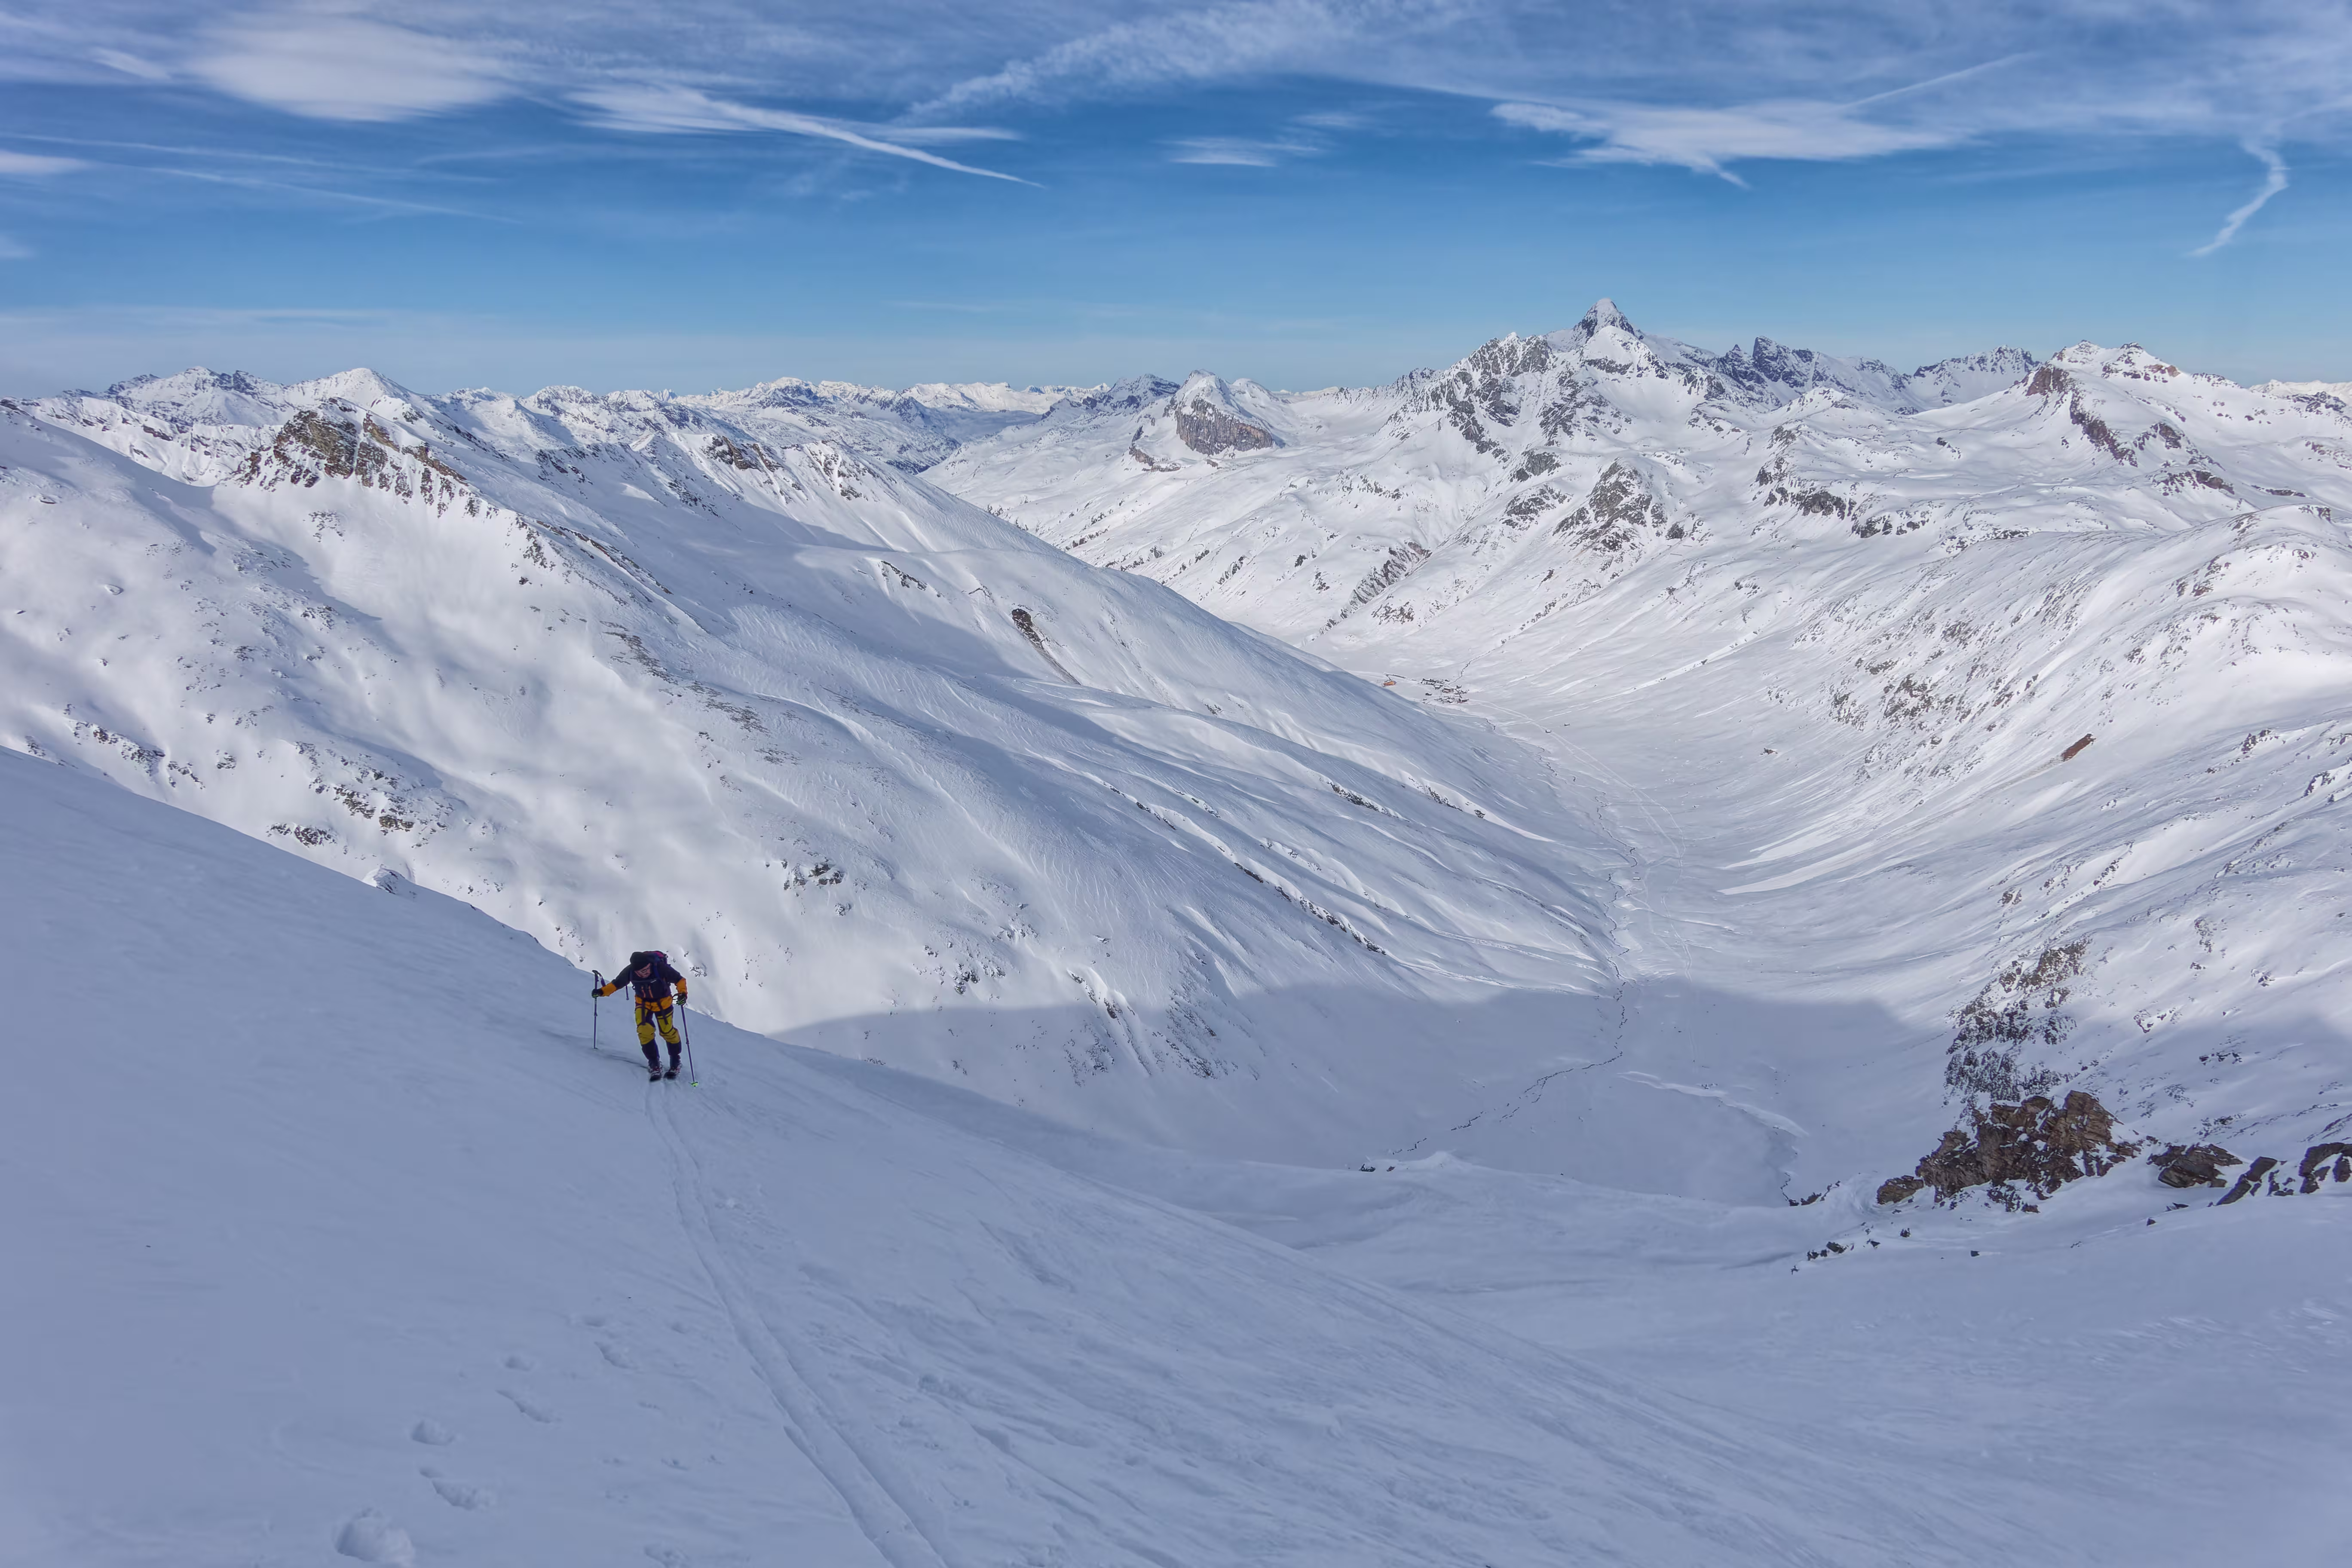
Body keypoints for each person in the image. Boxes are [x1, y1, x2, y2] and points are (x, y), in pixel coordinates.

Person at [597, 951, 688, 1081]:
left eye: (646, 970)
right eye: (641, 971)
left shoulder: (660, 968)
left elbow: (680, 980)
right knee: (644, 1031)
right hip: (643, 1003)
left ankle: (675, 1060)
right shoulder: (630, 971)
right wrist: (601, 992)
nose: (644, 973)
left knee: (667, 1031)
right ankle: (654, 1063)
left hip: (663, 1002)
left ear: (650, 965)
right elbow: (617, 984)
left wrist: (683, 994)